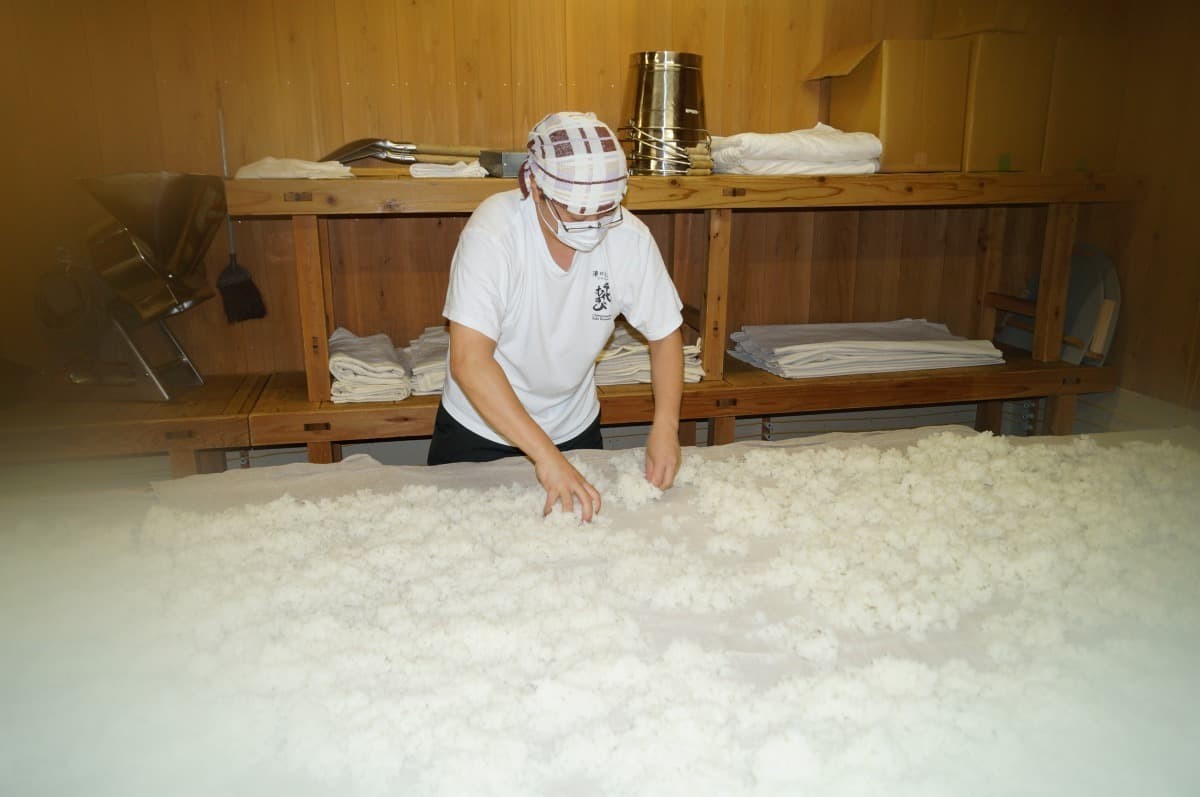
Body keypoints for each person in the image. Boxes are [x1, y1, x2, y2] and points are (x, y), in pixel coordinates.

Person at [428, 111, 684, 522]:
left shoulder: (628, 238)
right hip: (480, 429)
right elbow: (469, 361)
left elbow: (665, 333)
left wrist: (666, 425)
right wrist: (545, 456)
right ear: (533, 186)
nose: (592, 223)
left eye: (604, 210)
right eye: (576, 211)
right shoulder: (494, 234)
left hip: (573, 428)